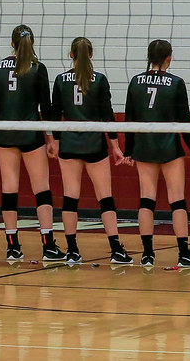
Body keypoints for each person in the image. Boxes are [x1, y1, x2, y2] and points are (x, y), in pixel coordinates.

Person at [123, 40, 190, 268]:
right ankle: (184, 254)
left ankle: (148, 255)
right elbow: (184, 121)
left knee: (146, 198)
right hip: (169, 147)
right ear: (169, 58)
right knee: (177, 199)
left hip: (144, 146)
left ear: (149, 56)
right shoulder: (176, 83)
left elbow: (130, 119)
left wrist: (128, 150)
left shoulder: (135, 82)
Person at [50, 37, 132, 265]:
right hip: (94, 144)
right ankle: (116, 249)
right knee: (105, 198)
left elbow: (55, 115)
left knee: (70, 198)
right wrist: (115, 145)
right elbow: (108, 115)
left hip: (69, 144)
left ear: (71, 54)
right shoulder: (100, 80)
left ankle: (73, 251)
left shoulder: (60, 80)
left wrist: (54, 141)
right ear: (91, 54)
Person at [0, 24, 66, 262]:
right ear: (31, 43)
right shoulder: (38, 68)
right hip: (31, 134)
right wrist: (52, 139)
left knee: (9, 188)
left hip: (4, 134)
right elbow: (46, 108)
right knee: (41, 188)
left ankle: (12, 246)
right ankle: (48, 245)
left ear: (12, 44)